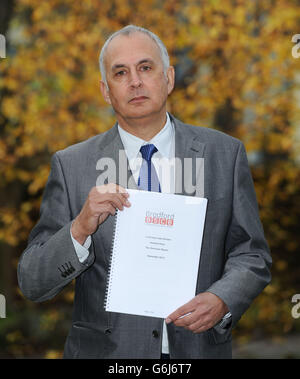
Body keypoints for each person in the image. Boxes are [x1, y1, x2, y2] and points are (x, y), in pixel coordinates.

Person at [17, 25, 272, 359]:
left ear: (168, 78)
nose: (134, 81)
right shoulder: (71, 165)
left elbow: (252, 254)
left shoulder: (224, 154)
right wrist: (79, 229)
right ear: (106, 91)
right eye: (120, 73)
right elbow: (32, 282)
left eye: (145, 68)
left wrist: (223, 298)